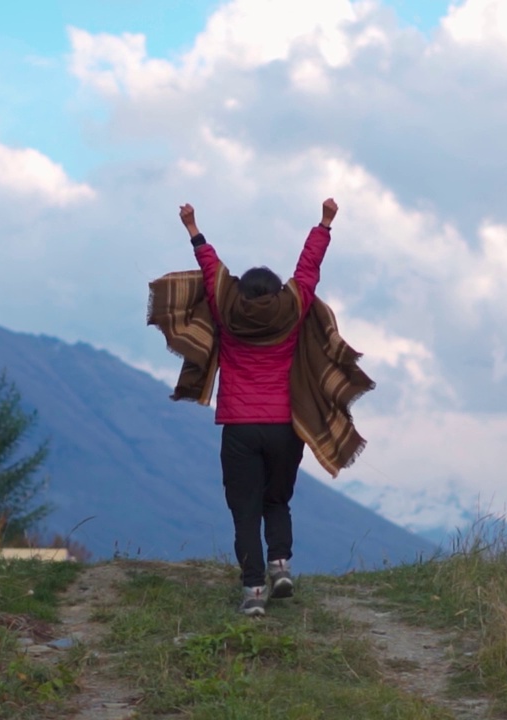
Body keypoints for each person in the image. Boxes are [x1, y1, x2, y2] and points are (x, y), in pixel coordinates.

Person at [150, 198, 373, 616]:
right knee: (277, 501)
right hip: (284, 427)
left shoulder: (226, 310)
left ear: (239, 293)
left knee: (244, 511)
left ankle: (253, 592)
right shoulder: (293, 309)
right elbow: (308, 270)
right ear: (277, 293)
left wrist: (193, 228)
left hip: (238, 427)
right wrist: (324, 224)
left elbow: (212, 270)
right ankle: (281, 565)